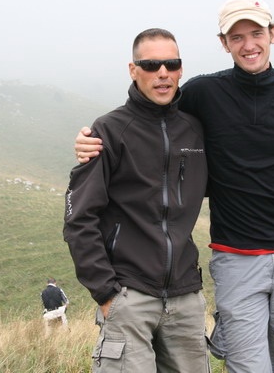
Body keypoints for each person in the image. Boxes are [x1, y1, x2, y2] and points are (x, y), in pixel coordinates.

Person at [74, 0, 274, 373]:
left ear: (272, 35)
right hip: (235, 255)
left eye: (257, 33)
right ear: (224, 43)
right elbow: (153, 118)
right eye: (236, 37)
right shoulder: (202, 94)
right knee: (247, 366)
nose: (248, 45)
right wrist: (93, 141)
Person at [63, 28, 209, 372]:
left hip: (186, 297)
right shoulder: (109, 130)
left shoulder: (195, 130)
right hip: (129, 295)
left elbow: (232, 181)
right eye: (151, 65)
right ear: (133, 70)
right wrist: (106, 294)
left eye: (172, 64)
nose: (163, 73)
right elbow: (78, 218)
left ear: (181, 69)